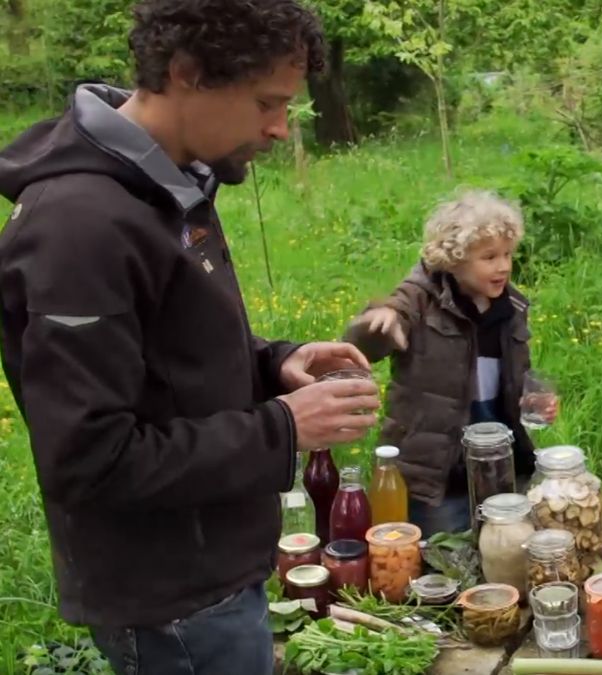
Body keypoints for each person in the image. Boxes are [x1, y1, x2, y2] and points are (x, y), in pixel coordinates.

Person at [0, 2, 381, 674]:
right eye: (266, 102)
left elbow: (166, 362)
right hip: (169, 599)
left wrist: (275, 363)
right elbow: (90, 459)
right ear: (186, 72)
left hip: (213, 569)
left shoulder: (167, 184)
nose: (279, 127)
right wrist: (284, 427)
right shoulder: (79, 227)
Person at [342, 190, 556, 536]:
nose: (503, 266)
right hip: (439, 475)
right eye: (489, 257)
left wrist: (532, 402)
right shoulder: (419, 299)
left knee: (505, 549)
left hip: (500, 465)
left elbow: (513, 381)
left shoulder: (511, 309)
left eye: (507, 254)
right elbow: (367, 344)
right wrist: (378, 322)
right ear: (455, 261)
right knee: (440, 554)